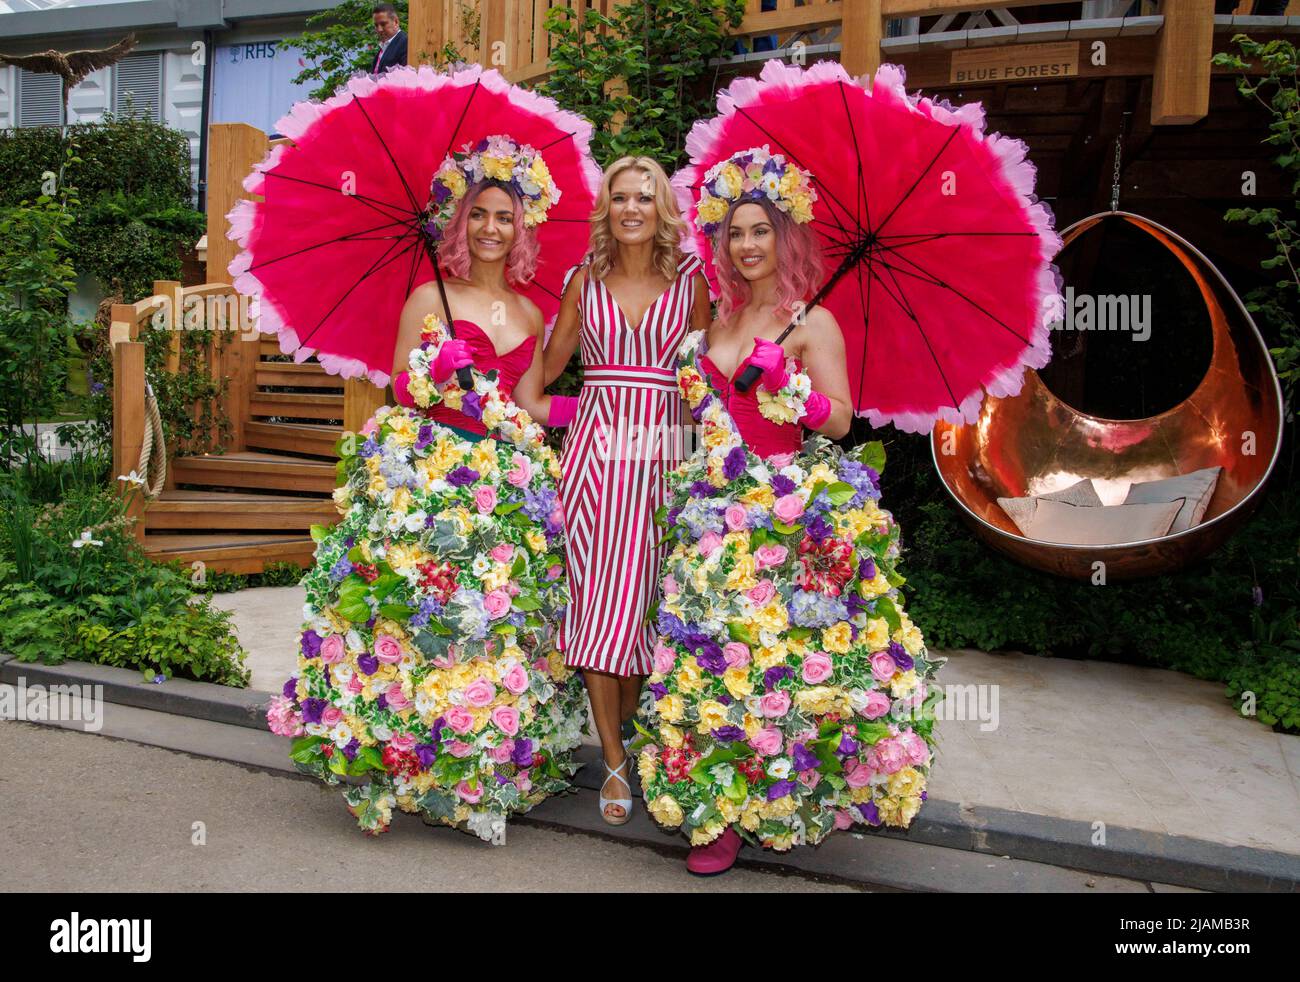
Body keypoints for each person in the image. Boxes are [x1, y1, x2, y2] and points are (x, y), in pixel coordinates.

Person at [267, 136, 587, 843]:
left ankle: (477, 766)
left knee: (493, 625)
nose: (492, 229)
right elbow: (401, 388)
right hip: (432, 473)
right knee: (417, 620)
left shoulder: (533, 315)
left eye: (505, 216)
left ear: (522, 226)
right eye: (479, 215)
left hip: (503, 484)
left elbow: (531, 404)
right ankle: (398, 761)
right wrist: (438, 366)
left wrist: (602, 411)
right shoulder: (427, 296)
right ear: (460, 222)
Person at [637, 148, 941, 875]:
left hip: (780, 511)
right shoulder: (718, 322)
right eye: (735, 232)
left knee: (773, 664)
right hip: (712, 514)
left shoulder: (813, 321)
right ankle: (713, 816)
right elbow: (699, 425)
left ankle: (775, 797)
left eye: (760, 231)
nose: (746, 245)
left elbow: (839, 422)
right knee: (709, 662)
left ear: (786, 237)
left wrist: (792, 387)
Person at [517, 156, 710, 826]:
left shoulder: (691, 283)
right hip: (597, 461)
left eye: (645, 197)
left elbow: (702, 382)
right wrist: (579, 416)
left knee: (648, 609)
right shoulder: (583, 281)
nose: (632, 208)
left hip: (666, 458)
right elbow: (533, 389)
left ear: (663, 209)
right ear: (607, 207)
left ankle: (626, 720)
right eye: (620, 196)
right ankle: (615, 759)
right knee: (603, 608)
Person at [370, 3, 408, 77]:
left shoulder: (405, 42)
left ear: (396, 22)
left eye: (383, 24)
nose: (379, 29)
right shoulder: (385, 45)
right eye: (376, 25)